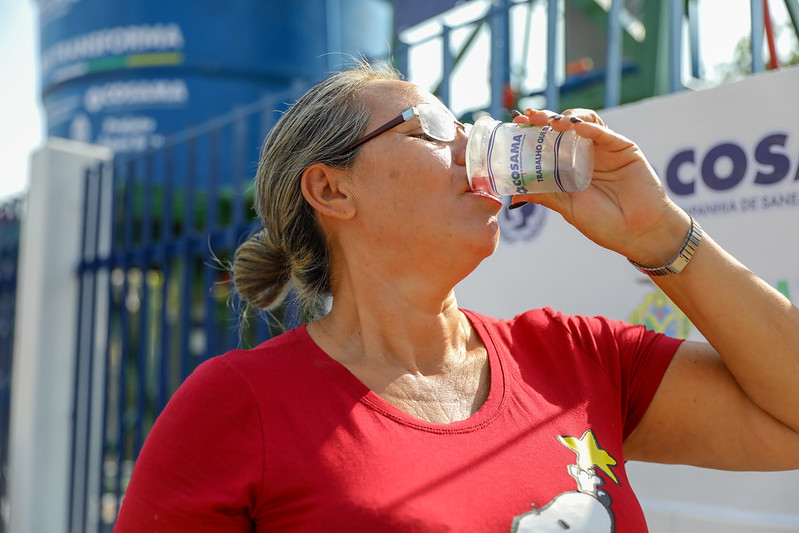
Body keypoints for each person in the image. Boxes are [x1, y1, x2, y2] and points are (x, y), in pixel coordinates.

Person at [114, 62, 799, 532]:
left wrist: (657, 233)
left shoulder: (575, 357)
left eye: (467, 124)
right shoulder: (237, 404)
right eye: (431, 129)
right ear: (331, 189)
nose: (471, 142)